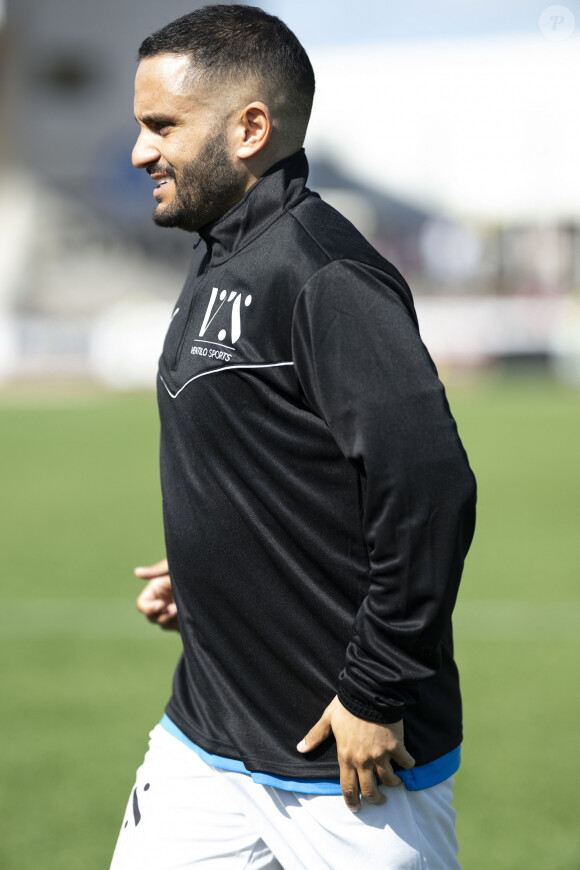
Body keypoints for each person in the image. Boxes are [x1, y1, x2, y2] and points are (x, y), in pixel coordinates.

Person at [110, 5, 477, 869]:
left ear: (249, 129)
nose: (139, 152)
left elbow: (430, 491)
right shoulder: (218, 253)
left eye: (162, 125)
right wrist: (213, 571)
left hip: (349, 763)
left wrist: (375, 692)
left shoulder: (324, 273)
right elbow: (277, 455)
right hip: (204, 743)